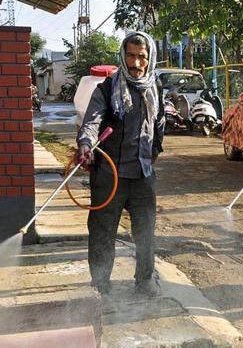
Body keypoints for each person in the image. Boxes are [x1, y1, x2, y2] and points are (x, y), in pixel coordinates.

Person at [76, 31, 164, 296]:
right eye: (131, 56)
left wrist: (155, 150)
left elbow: (159, 124)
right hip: (110, 176)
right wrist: (85, 143)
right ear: (123, 57)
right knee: (102, 233)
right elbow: (92, 120)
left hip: (142, 175)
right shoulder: (106, 88)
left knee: (146, 232)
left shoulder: (155, 87)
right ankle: (100, 287)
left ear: (149, 60)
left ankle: (145, 281)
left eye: (142, 57)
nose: (136, 64)